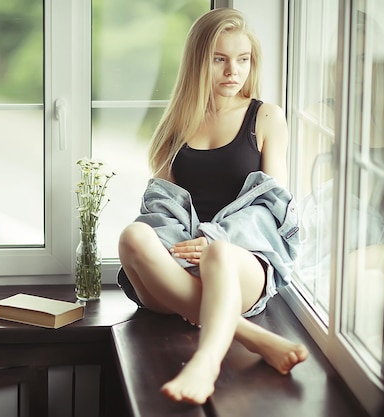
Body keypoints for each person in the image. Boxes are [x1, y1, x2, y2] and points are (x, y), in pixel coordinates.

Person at [117, 7, 309, 406]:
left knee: (219, 253)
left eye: (243, 59)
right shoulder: (181, 120)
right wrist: (179, 248)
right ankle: (249, 334)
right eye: (219, 59)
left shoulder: (266, 117)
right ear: (198, 62)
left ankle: (206, 361)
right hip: (178, 273)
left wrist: (215, 239)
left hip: (237, 266)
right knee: (132, 235)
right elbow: (160, 207)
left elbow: (273, 208)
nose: (232, 71)